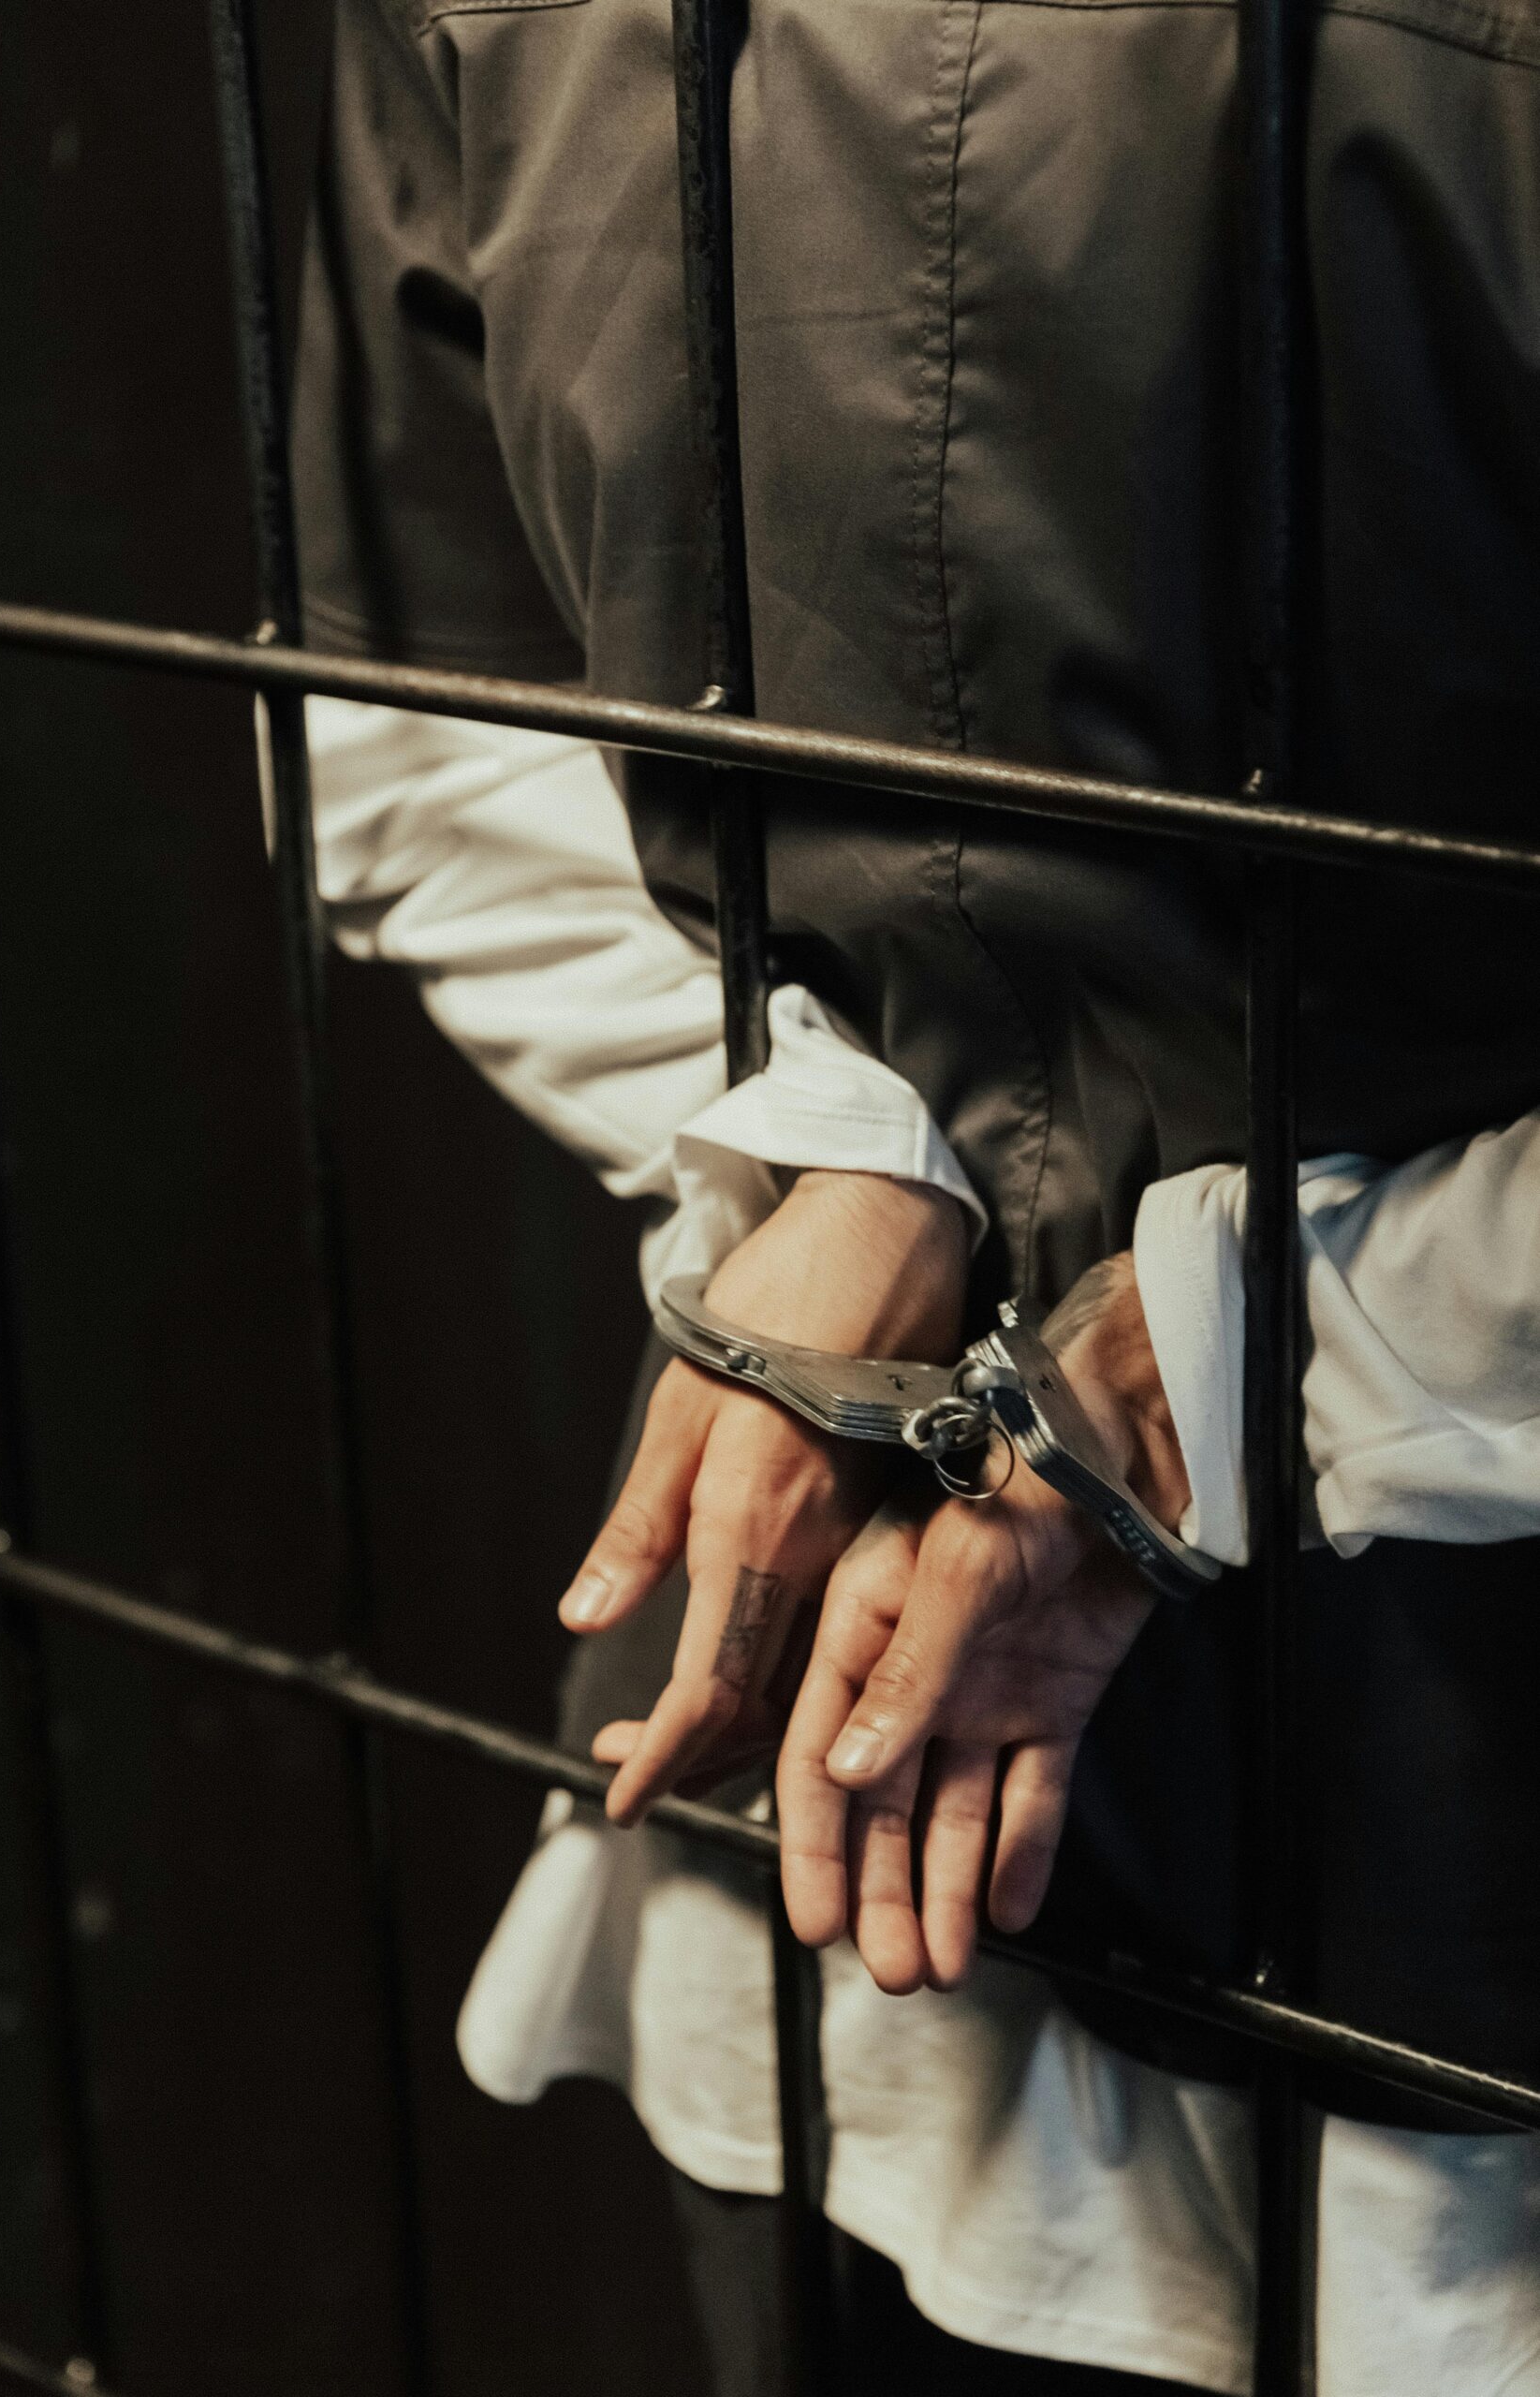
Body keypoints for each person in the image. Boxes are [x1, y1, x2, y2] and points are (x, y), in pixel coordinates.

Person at [292, 0, 1540, 2389]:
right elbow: (418, 703)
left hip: (1138, 1834)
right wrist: (858, 1138)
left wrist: (1134, 1361)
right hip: (880, 1863)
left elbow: (390, 706)